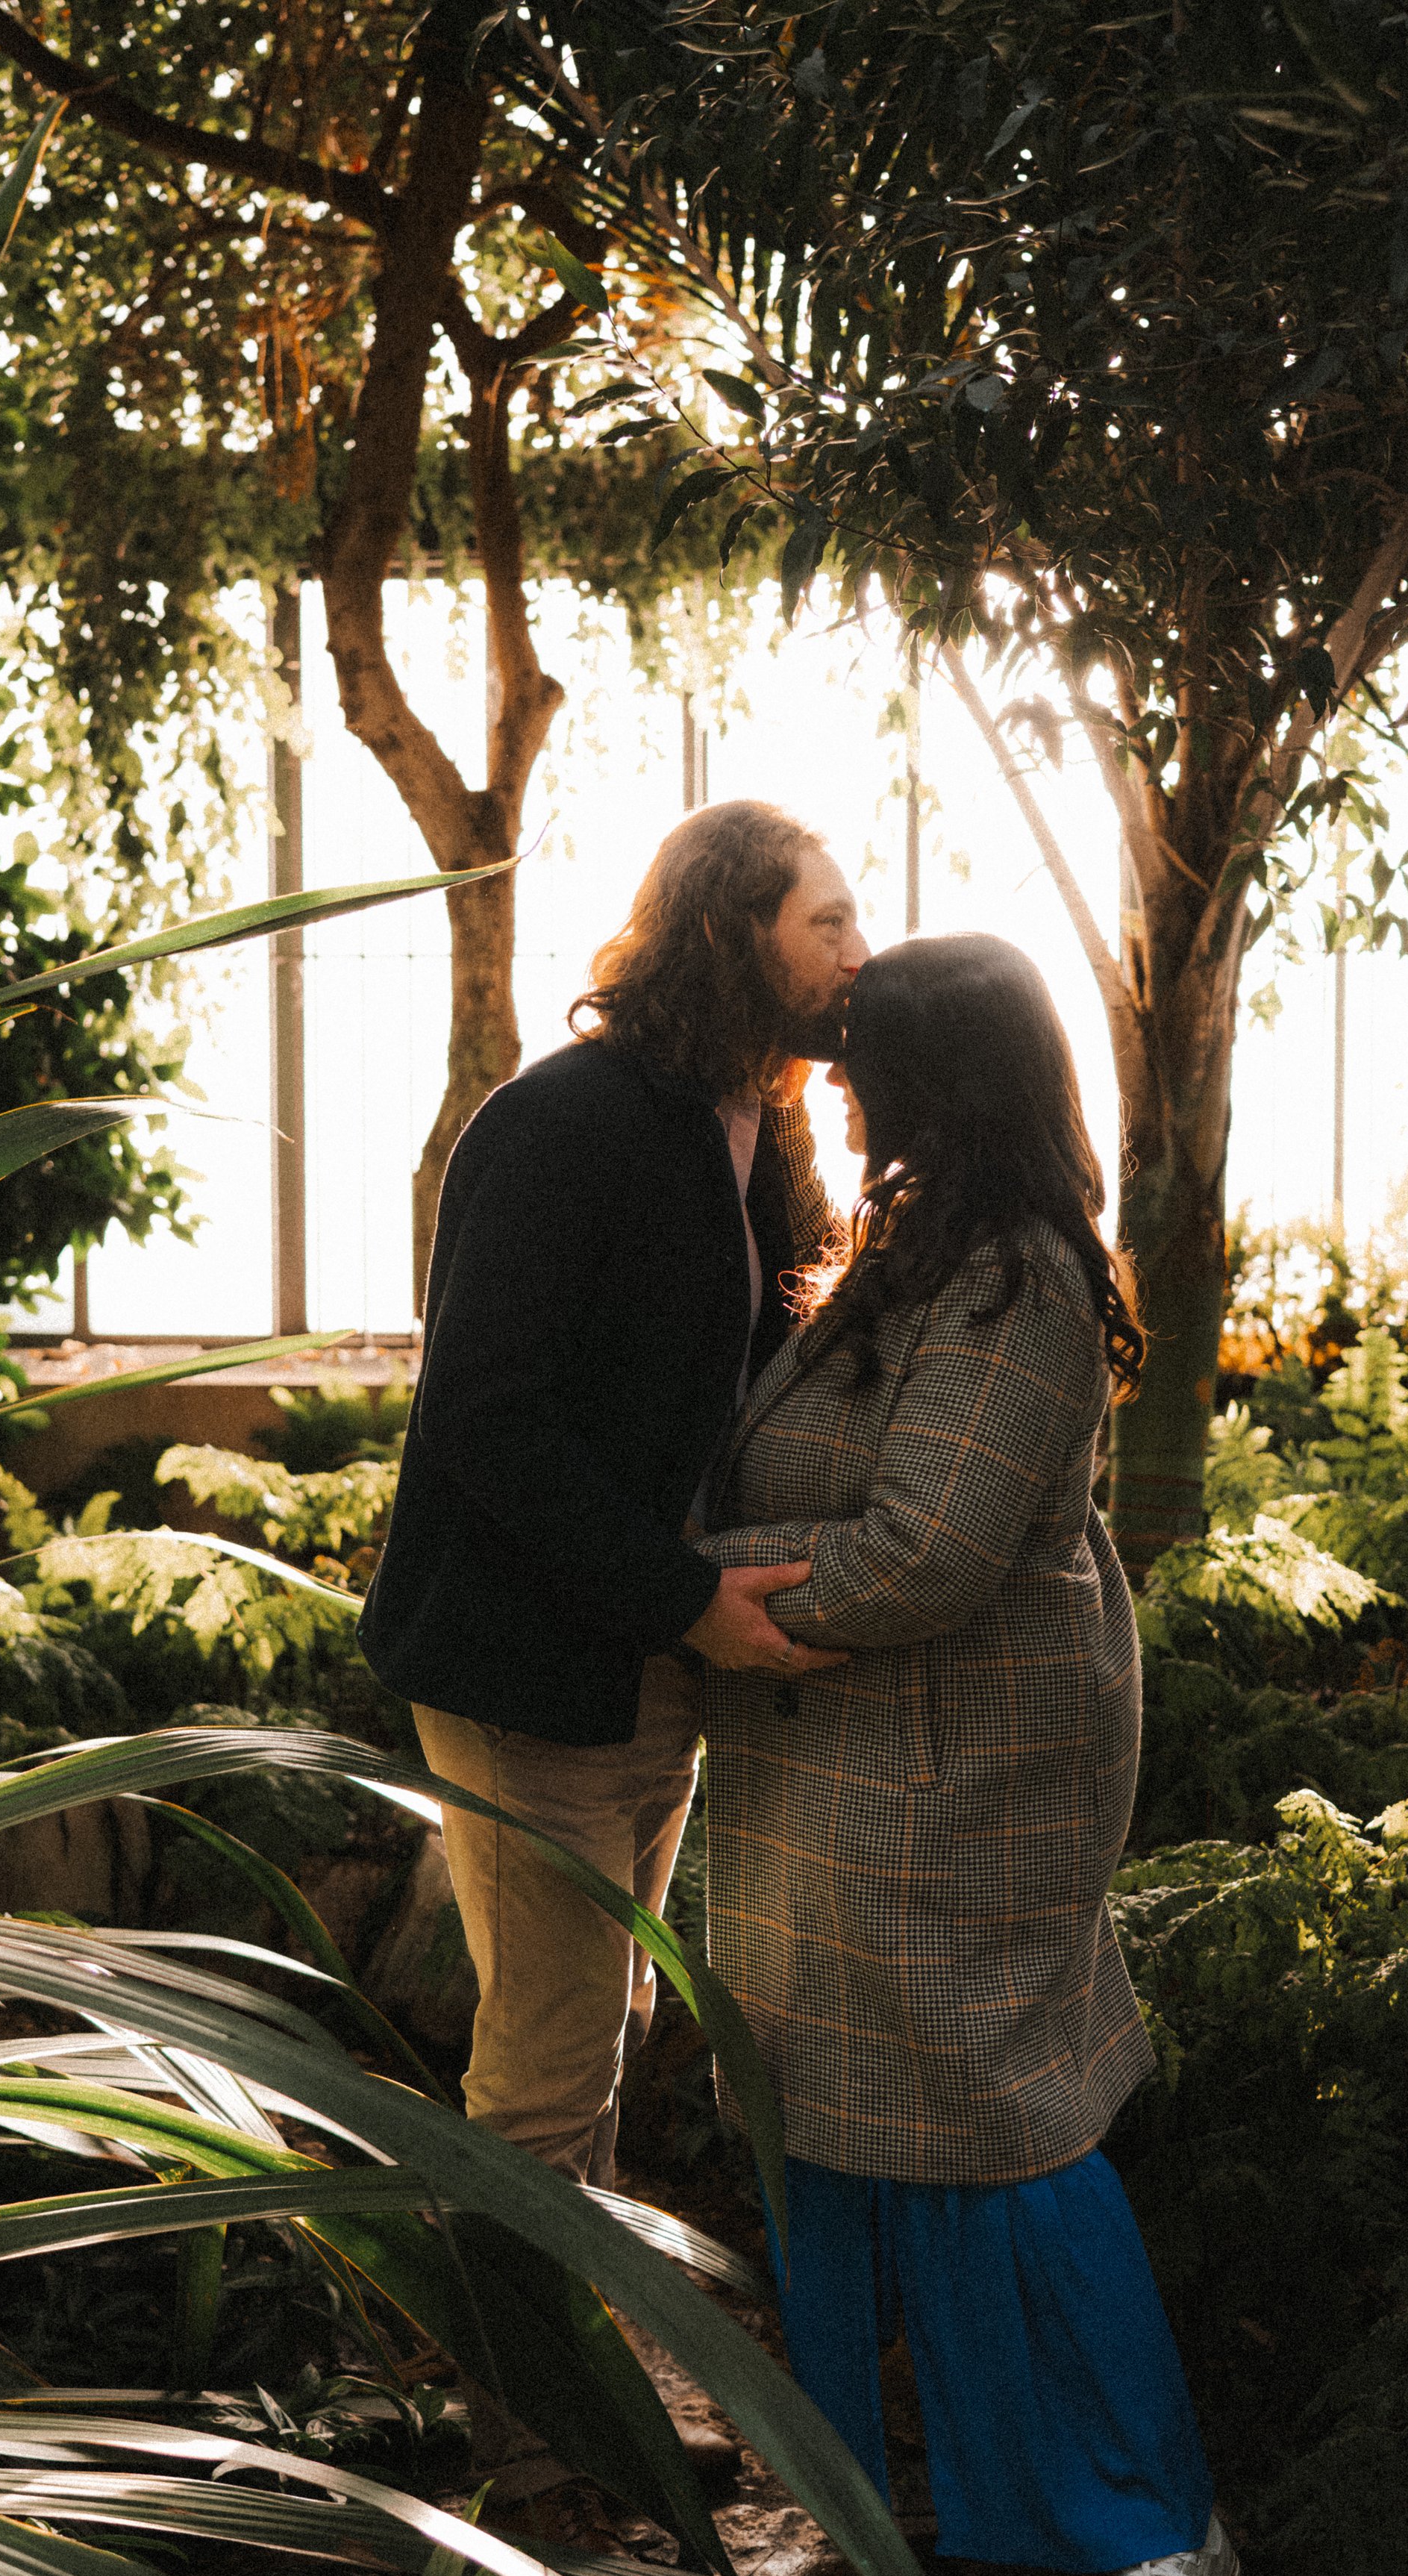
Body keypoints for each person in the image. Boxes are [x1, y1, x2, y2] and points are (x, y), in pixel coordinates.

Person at [696, 933, 1236, 2576]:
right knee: (844, 2131)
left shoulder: (1017, 1276)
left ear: (942, 1081)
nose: (839, 1094)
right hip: (839, 1770)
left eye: (863, 1067)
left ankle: (1161, 2530)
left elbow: (929, 1551)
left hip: (956, 1773)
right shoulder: (910, 1248)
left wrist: (691, 1596)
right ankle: (895, 2511)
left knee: (996, 2125)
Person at [359, 801, 865, 2204]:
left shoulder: (768, 1130)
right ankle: (508, 2357)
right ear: (725, 931)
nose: (859, 954)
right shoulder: (559, 1123)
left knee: (604, 2028)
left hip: (650, 1660)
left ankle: (580, 2330)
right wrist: (686, 1597)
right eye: (827, 922)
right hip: (529, 1669)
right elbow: (484, 1417)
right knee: (549, 2062)